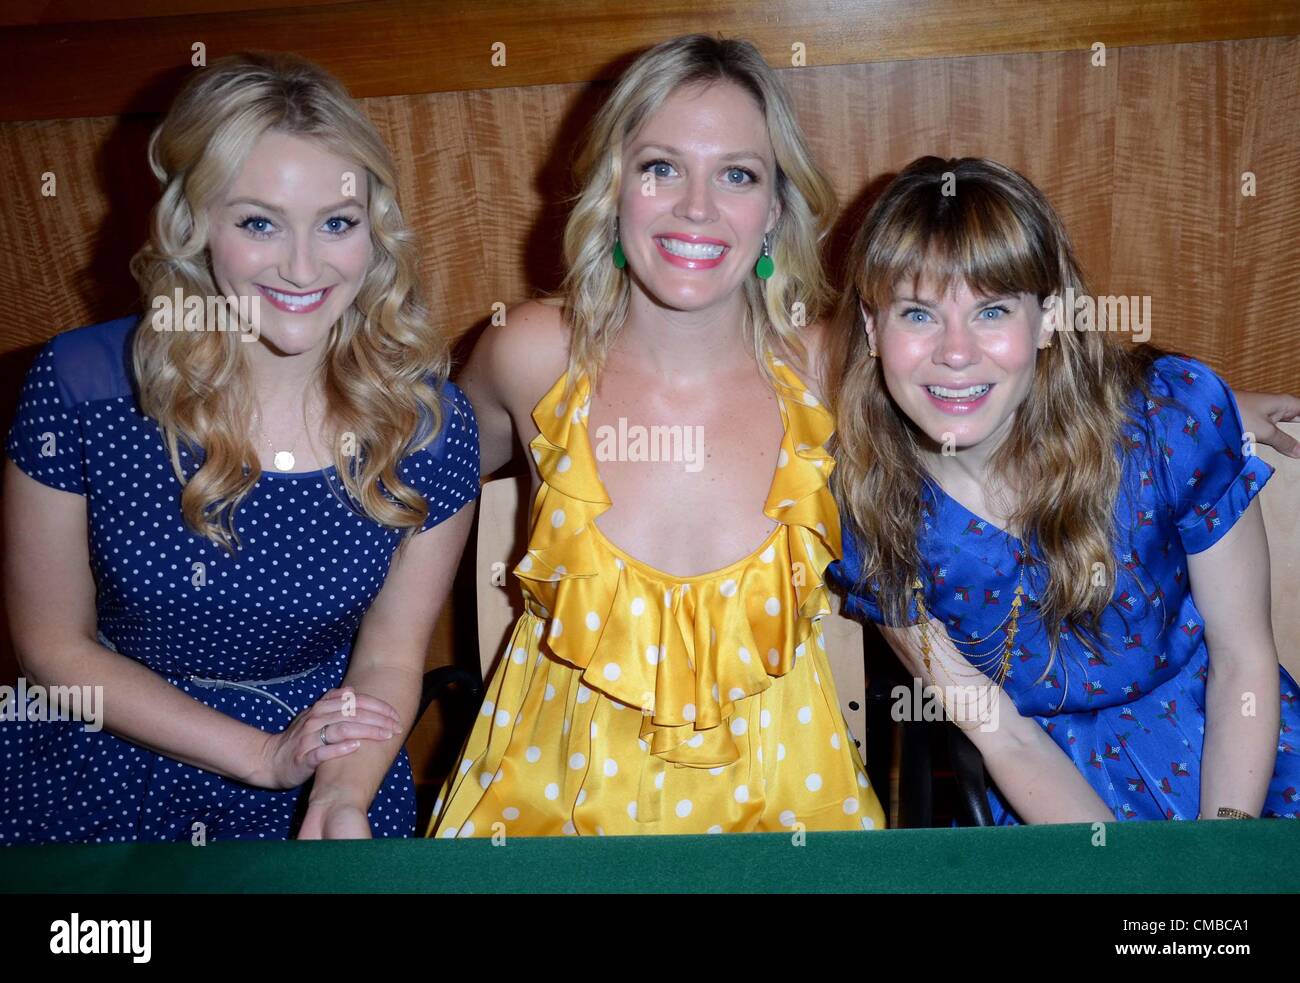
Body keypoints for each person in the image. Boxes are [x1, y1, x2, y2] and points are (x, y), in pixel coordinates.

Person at [1, 52, 479, 843]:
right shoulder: (81, 385)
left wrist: (338, 797)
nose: (303, 265)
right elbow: (52, 642)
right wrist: (259, 755)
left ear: (374, 228)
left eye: (338, 221)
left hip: (330, 750)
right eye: (258, 221)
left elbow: (390, 659)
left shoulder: (428, 424)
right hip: (104, 750)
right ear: (194, 226)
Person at [429, 35, 885, 836]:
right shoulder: (533, 355)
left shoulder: (831, 371)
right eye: (660, 167)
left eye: (737, 174)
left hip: (788, 822)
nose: (697, 208)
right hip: (541, 818)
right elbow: (414, 486)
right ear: (614, 188)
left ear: (776, 206)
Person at [825, 155, 1299, 823]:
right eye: (917, 313)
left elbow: (1244, 657)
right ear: (873, 329)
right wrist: (1129, 889)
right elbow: (1003, 733)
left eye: (992, 310)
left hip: (1239, 765)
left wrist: (1219, 851)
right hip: (1046, 795)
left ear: (1049, 318)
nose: (955, 353)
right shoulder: (872, 509)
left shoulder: (1173, 426)